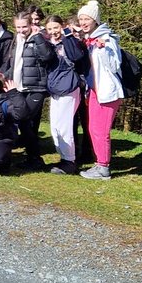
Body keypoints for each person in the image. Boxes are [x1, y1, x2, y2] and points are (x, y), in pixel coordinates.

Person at [75, 0, 124, 180]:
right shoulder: (89, 40)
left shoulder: (108, 40)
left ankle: (103, 168)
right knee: (92, 128)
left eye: (87, 19)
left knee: (101, 131)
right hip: (95, 92)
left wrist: (104, 49)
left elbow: (114, 66)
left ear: (95, 20)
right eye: (81, 19)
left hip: (108, 92)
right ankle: (99, 164)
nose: (83, 22)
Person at [8, 10, 57, 169]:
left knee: (25, 117)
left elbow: (48, 57)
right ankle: (32, 157)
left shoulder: (38, 38)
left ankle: (35, 157)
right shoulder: (17, 40)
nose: (21, 30)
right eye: (18, 27)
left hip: (36, 87)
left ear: (31, 25)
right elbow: (15, 63)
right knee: (23, 122)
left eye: (24, 27)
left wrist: (37, 37)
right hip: (19, 86)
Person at [44, 15, 89, 175]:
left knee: (65, 128)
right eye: (50, 29)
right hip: (55, 89)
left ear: (61, 26)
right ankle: (64, 158)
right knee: (55, 126)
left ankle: (70, 161)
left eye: (56, 27)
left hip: (69, 88)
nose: (53, 31)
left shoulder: (69, 41)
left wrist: (68, 34)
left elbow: (77, 56)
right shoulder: (49, 44)